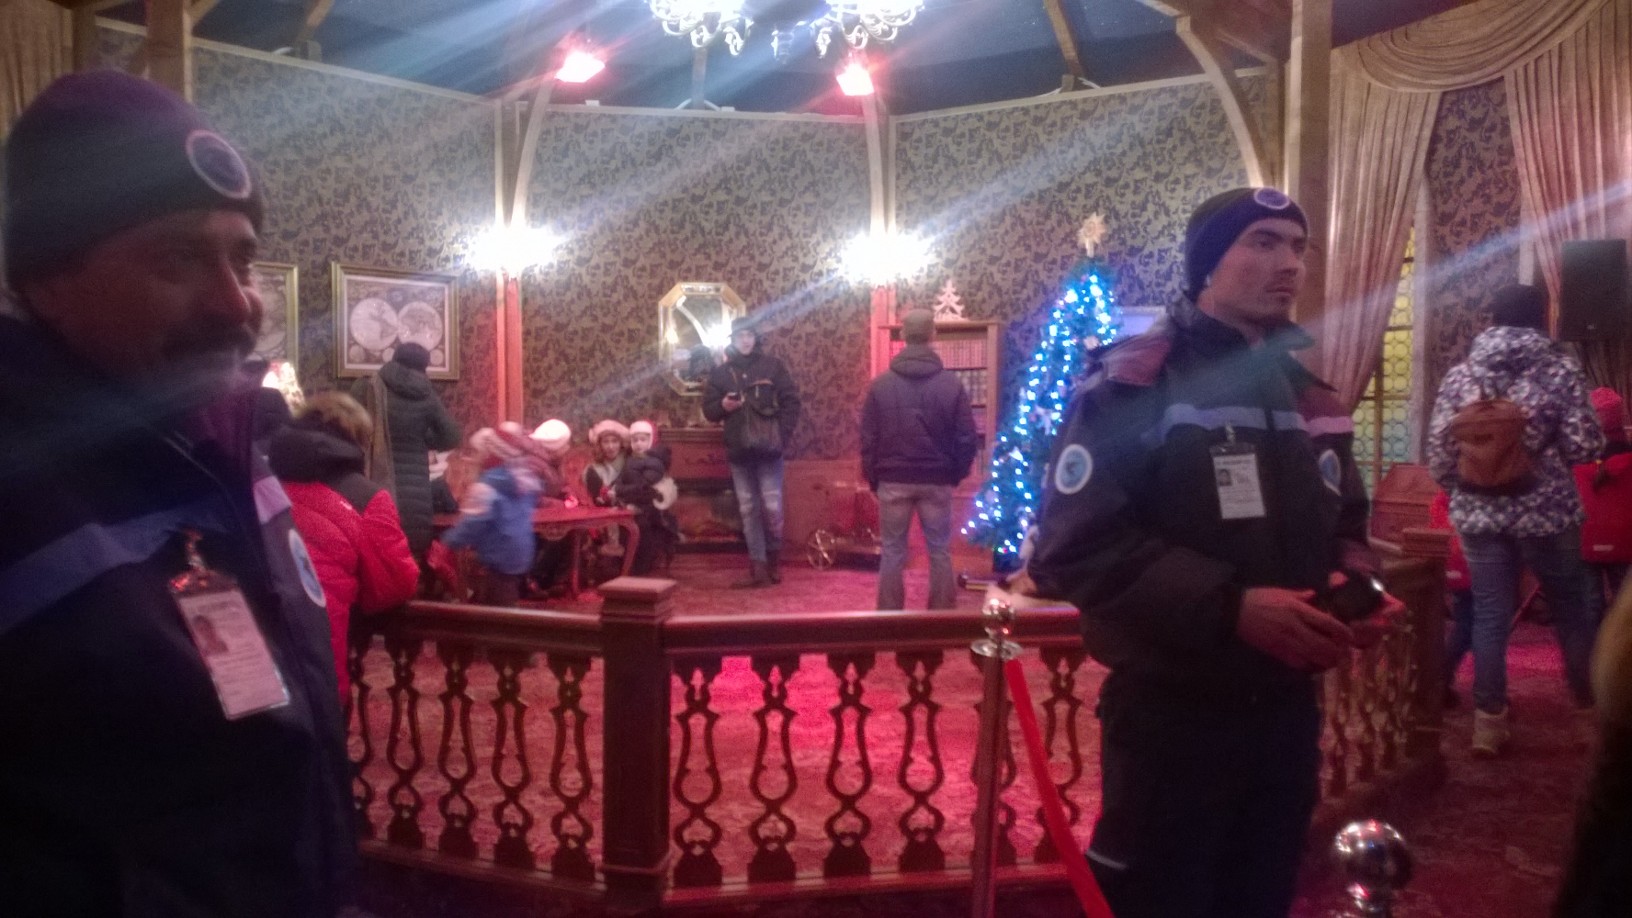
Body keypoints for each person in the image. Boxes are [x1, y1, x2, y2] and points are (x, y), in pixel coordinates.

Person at [0, 71, 354, 915]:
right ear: (48, 280)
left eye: (243, 258)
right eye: (178, 259)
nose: (235, 303)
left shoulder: (231, 449)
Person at [1023, 187, 1400, 918]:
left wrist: (1356, 590)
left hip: (1286, 712)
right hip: (1174, 715)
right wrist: (1231, 608)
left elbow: (1348, 525)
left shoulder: (1312, 396)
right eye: (1262, 241)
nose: (1289, 263)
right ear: (1205, 266)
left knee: (1260, 894)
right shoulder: (1135, 383)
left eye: (1297, 246)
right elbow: (1074, 546)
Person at [1427, 283, 1604, 757]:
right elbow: (1585, 445)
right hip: (1548, 513)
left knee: (1489, 612)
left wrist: (1470, 487)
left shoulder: (1462, 375)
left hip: (1479, 514)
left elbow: (1439, 455)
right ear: (1541, 317)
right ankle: (1589, 715)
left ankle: (1489, 724)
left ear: (1493, 319)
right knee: (1571, 610)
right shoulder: (1559, 370)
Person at [269, 391, 419, 700]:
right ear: (359, 440)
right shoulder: (367, 498)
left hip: (247, 660)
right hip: (315, 660)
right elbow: (394, 585)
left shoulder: (258, 484)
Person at [860, 308, 979, 610]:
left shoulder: (880, 385)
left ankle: (889, 618)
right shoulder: (951, 384)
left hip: (893, 478)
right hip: (937, 479)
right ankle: (941, 617)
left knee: (892, 552)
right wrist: (955, 474)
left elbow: (868, 439)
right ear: (932, 335)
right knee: (939, 551)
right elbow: (967, 438)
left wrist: (874, 479)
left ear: (903, 336)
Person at [704, 315, 802, 588]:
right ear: (733, 340)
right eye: (740, 336)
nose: (745, 341)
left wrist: (781, 435)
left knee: (772, 507)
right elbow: (709, 411)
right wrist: (723, 406)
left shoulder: (773, 366)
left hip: (770, 450)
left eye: (749, 335)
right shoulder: (721, 373)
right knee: (748, 509)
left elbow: (792, 402)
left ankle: (773, 559)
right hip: (739, 451)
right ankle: (757, 565)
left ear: (756, 338)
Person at [350, 340, 462, 561]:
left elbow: (348, 426)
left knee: (374, 554)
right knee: (410, 556)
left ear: (394, 358)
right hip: (415, 492)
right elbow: (452, 437)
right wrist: (421, 440)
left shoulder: (368, 386)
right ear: (424, 366)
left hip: (372, 481)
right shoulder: (426, 394)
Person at [441, 423, 542, 606]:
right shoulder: (525, 480)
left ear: (491, 455)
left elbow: (472, 523)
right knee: (505, 594)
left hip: (499, 555)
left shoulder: (486, 487)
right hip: (521, 550)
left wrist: (449, 541)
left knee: (499, 606)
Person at [1575, 387, 1632, 601]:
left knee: (1589, 602)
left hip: (1586, 540)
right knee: (1623, 602)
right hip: (1625, 541)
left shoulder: (1574, 458)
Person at [616, 420, 680, 575]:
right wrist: (617, 490)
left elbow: (644, 487)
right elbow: (621, 481)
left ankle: (640, 568)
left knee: (642, 532)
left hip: (649, 508)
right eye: (635, 440)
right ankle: (628, 566)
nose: (639, 444)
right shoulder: (631, 460)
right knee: (624, 530)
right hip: (631, 503)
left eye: (643, 440)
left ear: (650, 440)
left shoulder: (655, 463)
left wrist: (621, 491)